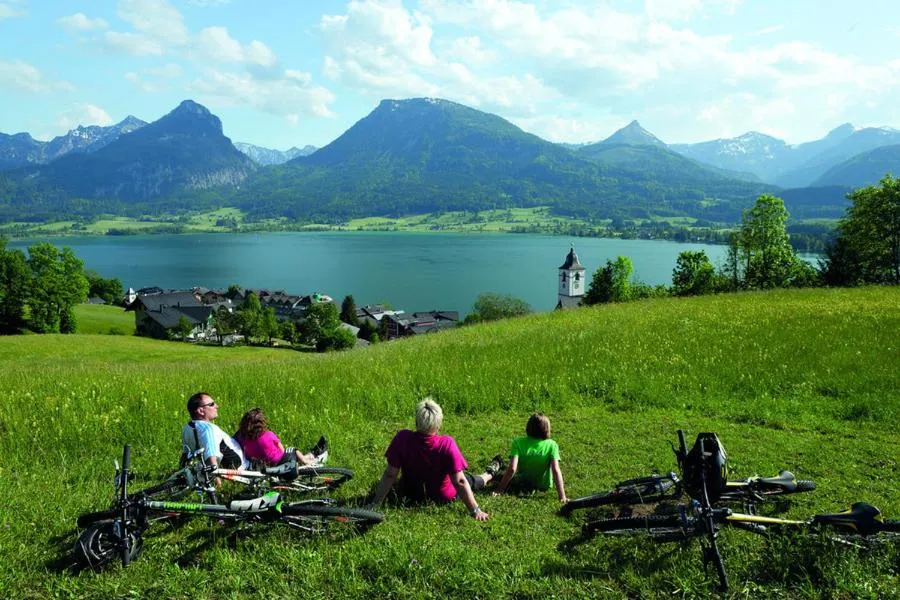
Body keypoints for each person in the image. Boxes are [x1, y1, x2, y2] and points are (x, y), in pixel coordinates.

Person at [368, 397, 503, 521]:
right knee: (468, 479)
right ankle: (489, 474)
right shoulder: (446, 444)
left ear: (416, 421)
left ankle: (489, 474)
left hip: (410, 495)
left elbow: (390, 474)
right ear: (438, 425)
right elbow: (460, 482)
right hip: (442, 497)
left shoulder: (402, 438)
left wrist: (374, 504)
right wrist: (475, 510)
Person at [492, 412, 568, 503]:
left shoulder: (518, 442)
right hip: (544, 486)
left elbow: (512, 468)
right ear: (547, 429)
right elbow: (555, 469)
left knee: (498, 475)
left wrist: (500, 489)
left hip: (522, 482)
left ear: (528, 427)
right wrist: (562, 496)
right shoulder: (552, 445)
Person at [234, 407, 328, 467]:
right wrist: (285, 457)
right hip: (280, 461)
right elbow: (280, 446)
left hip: (265, 466)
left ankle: (311, 455)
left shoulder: (243, 439)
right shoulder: (268, 435)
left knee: (295, 456)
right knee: (294, 450)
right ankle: (309, 462)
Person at [181, 391, 249, 470]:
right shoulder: (208, 429)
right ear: (201, 411)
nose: (217, 406)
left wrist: (181, 470)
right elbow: (211, 459)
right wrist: (217, 481)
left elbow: (185, 454)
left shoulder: (187, 427)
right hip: (243, 467)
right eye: (212, 404)